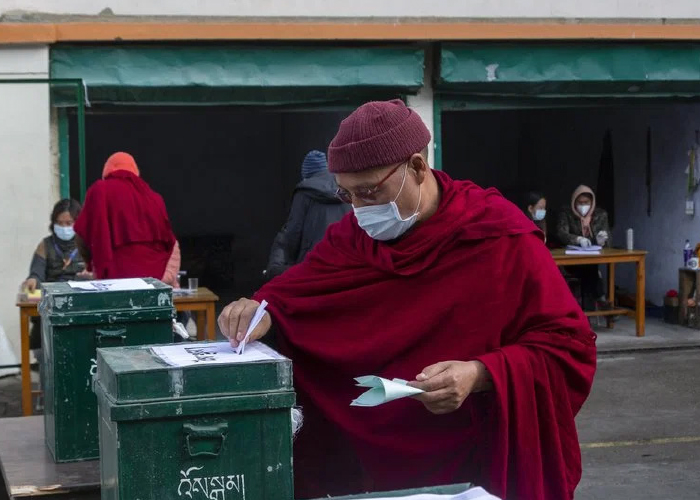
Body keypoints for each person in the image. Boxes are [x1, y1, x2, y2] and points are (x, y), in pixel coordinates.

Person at [218, 100, 596, 500]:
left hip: (472, 461)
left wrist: (480, 374)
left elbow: (567, 348)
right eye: (346, 195)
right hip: (369, 464)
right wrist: (259, 310)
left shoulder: (496, 235)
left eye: (368, 191)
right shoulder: (352, 239)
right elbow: (297, 292)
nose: (360, 210)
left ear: (417, 167)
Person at [74, 152, 177, 282]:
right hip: (151, 278)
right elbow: (168, 241)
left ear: (107, 170)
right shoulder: (155, 198)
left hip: (114, 275)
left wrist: (90, 262)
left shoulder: (101, 190)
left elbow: (82, 233)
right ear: (135, 171)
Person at [265, 150, 350, 279]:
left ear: (307, 175)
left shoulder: (304, 192)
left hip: (314, 266)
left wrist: (279, 267)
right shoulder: (347, 192)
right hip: (346, 267)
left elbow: (293, 233)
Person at [22, 199, 89, 360]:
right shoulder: (45, 245)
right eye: (60, 223)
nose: (64, 228)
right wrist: (32, 280)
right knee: (41, 344)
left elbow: (99, 275)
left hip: (80, 303)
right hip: (51, 302)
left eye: (69, 223)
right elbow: (36, 273)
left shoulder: (88, 243)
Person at [557, 185, 612, 310]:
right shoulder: (567, 213)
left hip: (592, 259)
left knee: (589, 268)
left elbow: (609, 242)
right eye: (580, 203)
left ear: (592, 202)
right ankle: (601, 301)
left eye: (586, 202)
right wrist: (577, 239)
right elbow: (561, 233)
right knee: (590, 270)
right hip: (571, 262)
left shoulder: (600, 215)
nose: (583, 206)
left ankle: (586, 310)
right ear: (574, 202)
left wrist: (601, 241)